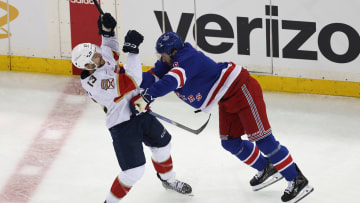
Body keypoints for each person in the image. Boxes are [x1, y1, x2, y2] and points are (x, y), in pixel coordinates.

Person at [131, 32, 314, 203]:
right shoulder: (168, 61)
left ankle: (297, 179)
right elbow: (152, 78)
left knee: (263, 139)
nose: (161, 59)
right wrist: (125, 80)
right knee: (230, 142)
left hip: (241, 88)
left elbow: (172, 81)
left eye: (162, 55)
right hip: (226, 99)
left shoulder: (188, 58)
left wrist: (147, 97)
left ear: (173, 51)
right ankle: (266, 167)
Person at [71, 15, 192, 203]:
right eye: (95, 56)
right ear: (88, 66)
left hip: (138, 111)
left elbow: (109, 47)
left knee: (163, 145)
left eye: (96, 52)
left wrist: (107, 31)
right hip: (121, 123)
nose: (99, 55)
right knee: (134, 171)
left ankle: (168, 180)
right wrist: (134, 52)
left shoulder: (100, 60)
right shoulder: (95, 83)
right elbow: (133, 79)